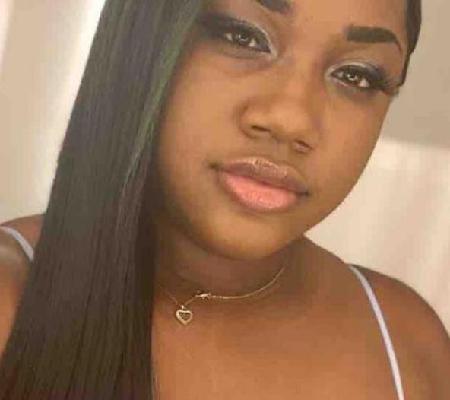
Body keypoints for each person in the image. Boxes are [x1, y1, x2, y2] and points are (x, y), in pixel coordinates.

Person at [0, 0, 448, 398]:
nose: (291, 119)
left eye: (357, 75)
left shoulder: (408, 345)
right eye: (243, 36)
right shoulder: (10, 304)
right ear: (145, 35)